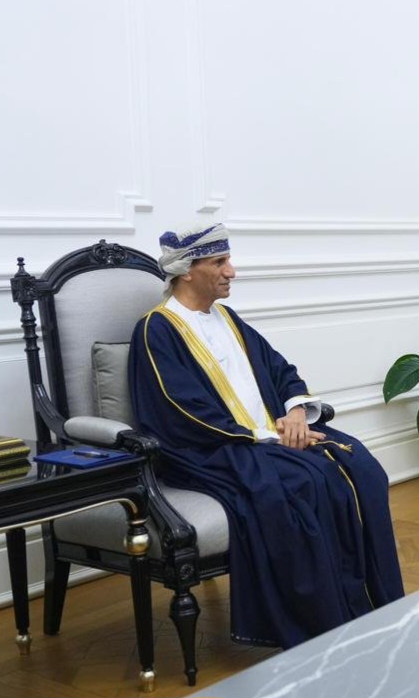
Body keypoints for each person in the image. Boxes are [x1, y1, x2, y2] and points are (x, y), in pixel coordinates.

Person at [128, 223, 404, 648]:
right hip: (212, 447)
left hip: (267, 435)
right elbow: (180, 410)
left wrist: (295, 413)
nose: (231, 271)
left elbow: (280, 369)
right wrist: (269, 436)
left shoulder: (226, 318)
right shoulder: (156, 330)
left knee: (363, 468)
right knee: (304, 482)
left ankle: (373, 604)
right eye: (219, 262)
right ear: (187, 270)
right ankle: (321, 619)